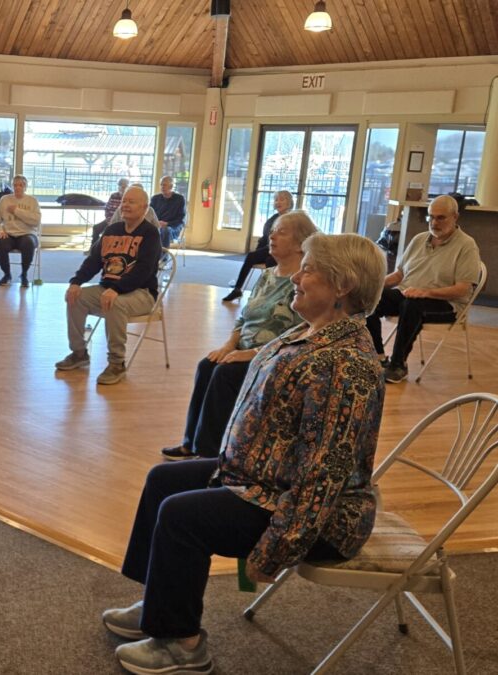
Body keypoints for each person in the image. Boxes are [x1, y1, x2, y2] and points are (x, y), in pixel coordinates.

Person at [100, 233, 386, 675]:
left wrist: (275, 550)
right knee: (164, 480)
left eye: (307, 269)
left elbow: (322, 476)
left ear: (342, 285)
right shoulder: (311, 333)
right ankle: (159, 604)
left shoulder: (345, 366)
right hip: (264, 477)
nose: (297, 276)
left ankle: (183, 642)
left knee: (182, 515)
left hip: (316, 514)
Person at [161, 210, 317, 461]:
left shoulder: (302, 283)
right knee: (208, 364)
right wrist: (229, 345)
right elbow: (244, 317)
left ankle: (209, 453)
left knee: (226, 373)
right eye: (272, 230)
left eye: (281, 232)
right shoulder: (267, 275)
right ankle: (191, 442)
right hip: (244, 348)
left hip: (275, 357)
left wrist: (249, 353)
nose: (272, 236)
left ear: (300, 244)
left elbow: (297, 332)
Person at [366, 194, 482, 384]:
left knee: (412, 305)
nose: (434, 222)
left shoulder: (467, 246)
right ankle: (378, 357)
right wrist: (373, 284)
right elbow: (399, 275)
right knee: (369, 298)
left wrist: (425, 292)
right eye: (431, 216)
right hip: (409, 295)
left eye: (440, 217)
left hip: (446, 304)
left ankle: (398, 365)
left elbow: (462, 289)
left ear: (455, 217)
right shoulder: (419, 239)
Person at [55, 186, 162, 386]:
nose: (126, 205)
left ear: (145, 208)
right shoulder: (112, 230)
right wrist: (76, 282)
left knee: (116, 303)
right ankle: (79, 352)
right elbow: (94, 260)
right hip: (108, 289)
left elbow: (144, 271)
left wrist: (117, 289)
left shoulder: (150, 234)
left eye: (132, 202)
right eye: (124, 201)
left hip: (142, 293)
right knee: (75, 296)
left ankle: (116, 363)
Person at [223, 190, 293, 302]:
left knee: (270, 261)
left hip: (286, 251)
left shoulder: (292, 219)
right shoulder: (273, 218)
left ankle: (269, 294)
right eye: (276, 200)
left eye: (282, 199)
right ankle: (237, 289)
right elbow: (265, 237)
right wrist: (258, 251)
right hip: (270, 248)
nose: (278, 202)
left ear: (289, 203)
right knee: (251, 256)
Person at [0, 174, 41, 287]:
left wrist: (16, 211)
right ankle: (7, 274)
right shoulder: (5, 200)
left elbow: (36, 221)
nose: (18, 188)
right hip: (9, 234)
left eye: (21, 185)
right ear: (12, 187)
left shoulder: (32, 201)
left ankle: (24, 275)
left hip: (27, 234)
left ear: (25, 187)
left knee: (28, 244)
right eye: (15, 185)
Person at [150, 176, 186, 249]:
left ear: (171, 186)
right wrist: (156, 223)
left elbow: (181, 218)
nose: (162, 187)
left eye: (164, 185)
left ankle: (163, 257)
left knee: (166, 230)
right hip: (157, 225)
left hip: (173, 227)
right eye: (161, 185)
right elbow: (149, 214)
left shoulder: (179, 199)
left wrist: (167, 224)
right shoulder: (155, 198)